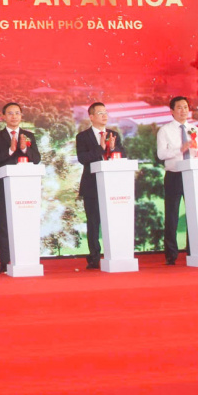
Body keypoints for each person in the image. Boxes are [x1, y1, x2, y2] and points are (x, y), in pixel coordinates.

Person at [0, 102, 41, 274]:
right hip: (4, 187)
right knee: (4, 224)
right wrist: (10, 150)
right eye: (10, 113)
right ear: (3, 116)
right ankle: (4, 262)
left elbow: (36, 159)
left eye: (17, 113)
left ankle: (27, 257)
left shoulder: (29, 135)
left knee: (25, 223)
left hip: (26, 188)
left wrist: (24, 149)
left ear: (21, 115)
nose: (14, 116)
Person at [155, 96, 198, 265]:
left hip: (193, 174)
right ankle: (171, 254)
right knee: (172, 215)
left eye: (185, 107)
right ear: (172, 111)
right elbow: (161, 154)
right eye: (179, 107)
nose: (183, 110)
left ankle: (194, 250)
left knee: (194, 214)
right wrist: (180, 149)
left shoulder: (195, 130)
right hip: (174, 175)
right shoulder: (165, 130)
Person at [75, 102, 123, 270]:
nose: (104, 115)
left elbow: (122, 155)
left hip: (112, 185)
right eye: (100, 113)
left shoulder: (114, 134)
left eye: (105, 112)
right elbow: (83, 159)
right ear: (91, 116)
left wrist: (112, 149)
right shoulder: (83, 137)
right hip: (92, 186)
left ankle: (115, 253)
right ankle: (94, 257)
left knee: (114, 221)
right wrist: (100, 148)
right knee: (94, 222)